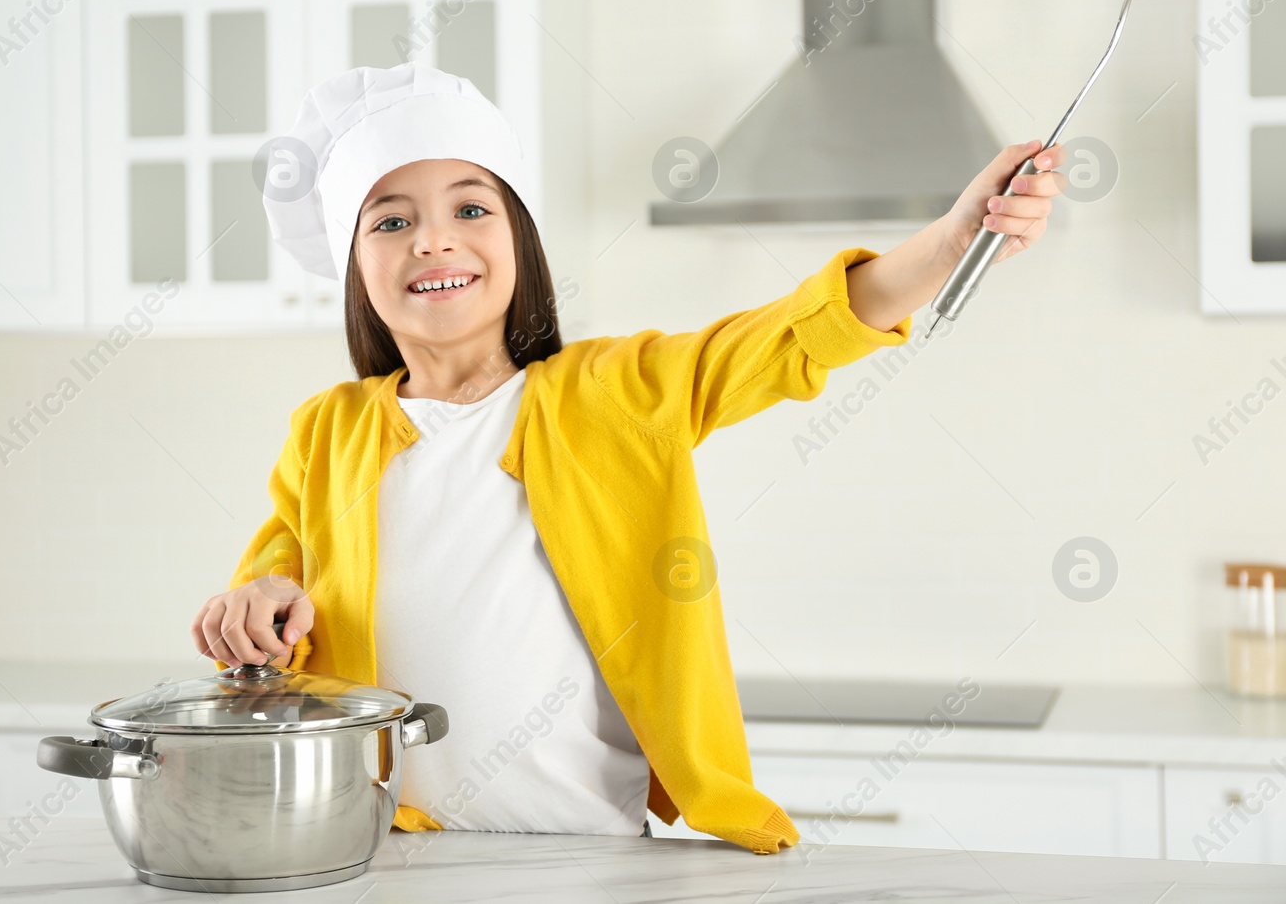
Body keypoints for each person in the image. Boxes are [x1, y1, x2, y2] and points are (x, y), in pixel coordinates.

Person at [190, 63, 1063, 851]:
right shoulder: (326, 429)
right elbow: (277, 578)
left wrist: (948, 242)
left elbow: (786, 337)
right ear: (355, 268)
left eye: (470, 207)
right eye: (391, 219)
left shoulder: (612, 391)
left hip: (584, 850)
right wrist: (258, 602)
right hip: (388, 844)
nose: (434, 239)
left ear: (518, 242)